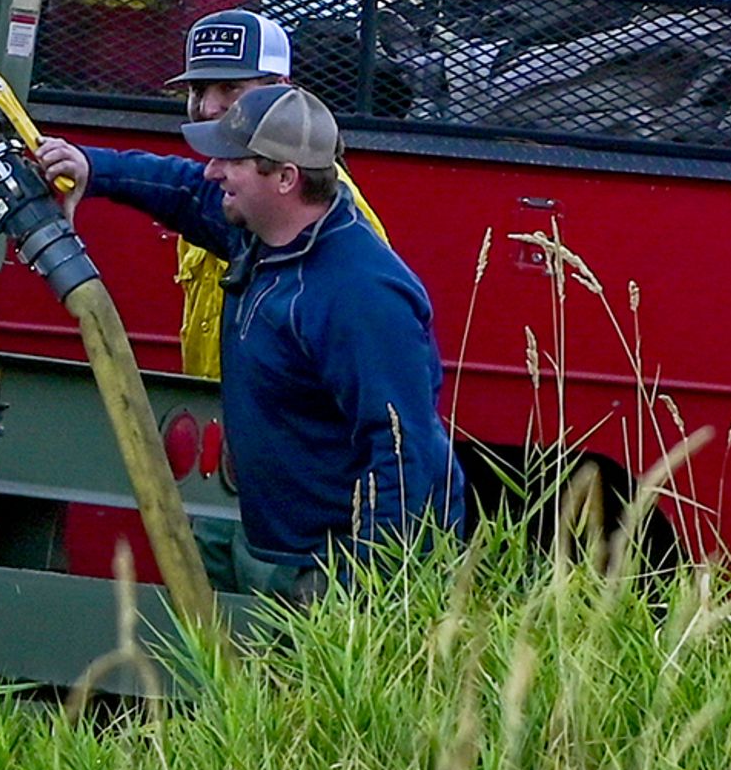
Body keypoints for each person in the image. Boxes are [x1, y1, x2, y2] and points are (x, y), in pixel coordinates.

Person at [31, 82, 463, 592]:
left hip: (326, 567)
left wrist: (361, 593)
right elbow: (186, 189)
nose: (213, 171)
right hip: (280, 547)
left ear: (285, 177)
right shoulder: (261, 232)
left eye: (230, 161)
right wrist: (94, 167)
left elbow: (404, 451)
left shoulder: (361, 294)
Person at [136, 10, 386, 380]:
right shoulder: (222, 189)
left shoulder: (332, 207)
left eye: (230, 89)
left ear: (281, 91)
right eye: (197, 90)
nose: (207, 108)